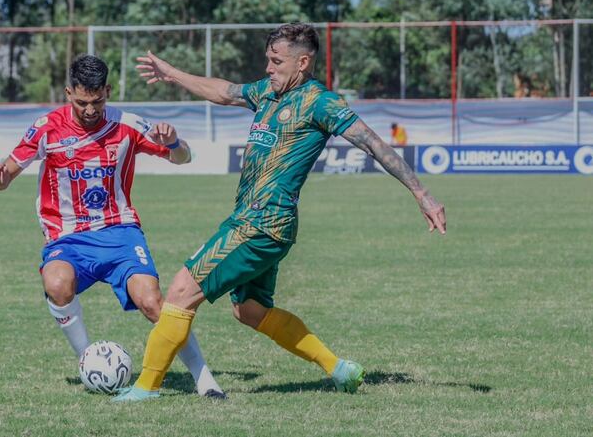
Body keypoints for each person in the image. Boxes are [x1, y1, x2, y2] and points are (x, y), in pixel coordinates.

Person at [114, 23, 446, 402]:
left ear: (302, 62)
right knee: (249, 310)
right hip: (259, 222)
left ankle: (146, 388)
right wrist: (171, 73)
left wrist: (421, 193)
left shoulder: (320, 102)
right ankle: (339, 369)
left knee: (180, 291)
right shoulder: (267, 93)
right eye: (268, 60)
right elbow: (224, 92)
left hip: (262, 222)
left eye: (277, 61)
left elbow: (372, 143)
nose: (269, 68)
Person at [0, 54, 225, 398]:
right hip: (68, 237)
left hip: (119, 231)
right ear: (69, 93)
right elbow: (5, 176)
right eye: (82, 101)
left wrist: (173, 142)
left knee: (153, 302)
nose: (90, 109)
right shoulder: (46, 128)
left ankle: (204, 380)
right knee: (56, 283)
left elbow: (183, 157)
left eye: (97, 101)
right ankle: (87, 359)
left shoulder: (127, 124)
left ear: (108, 92)